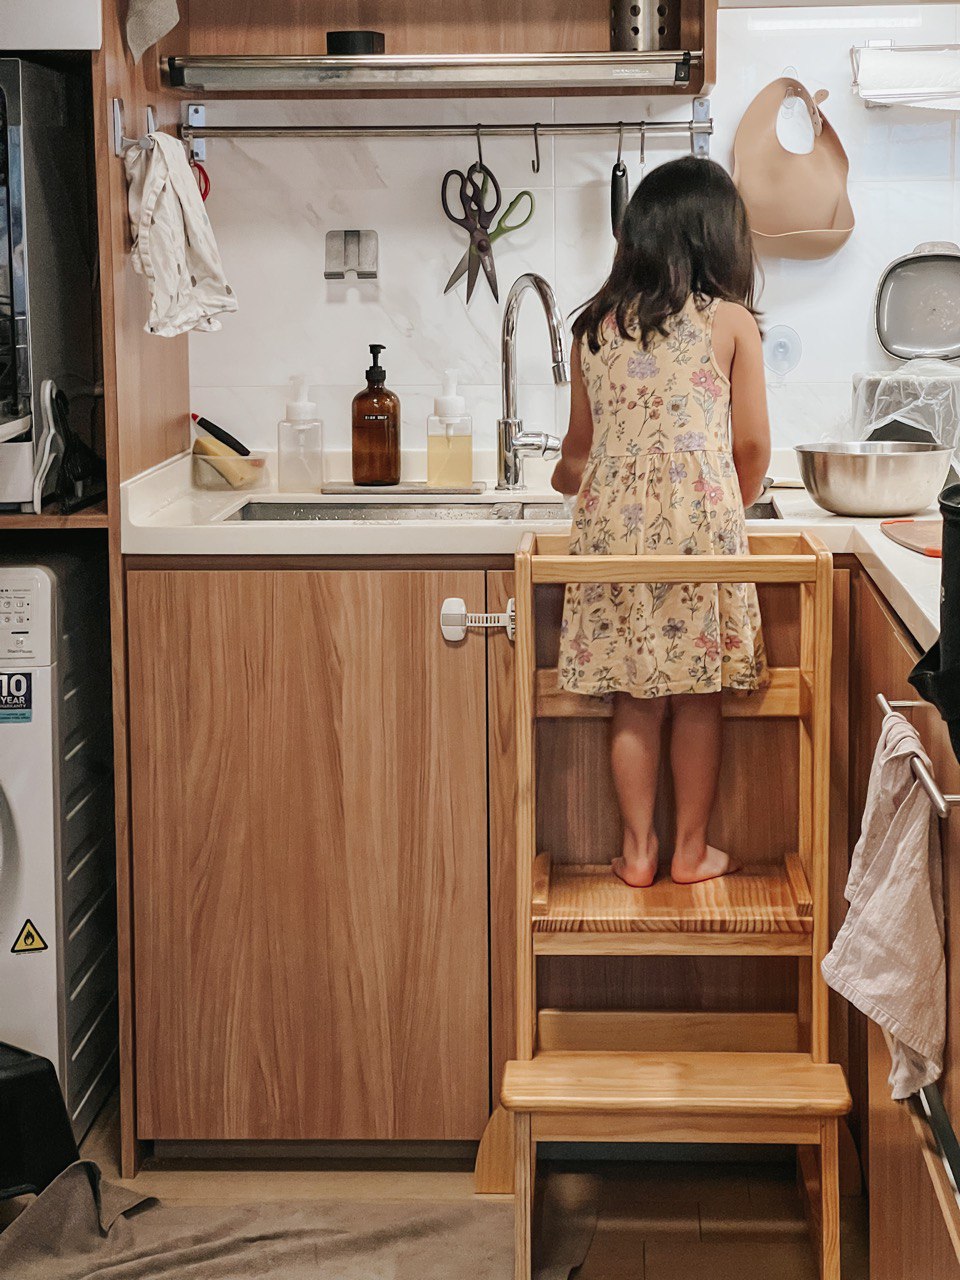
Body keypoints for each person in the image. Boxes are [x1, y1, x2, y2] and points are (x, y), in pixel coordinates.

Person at [553, 156, 771, 888]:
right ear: (719, 239)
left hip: (615, 535)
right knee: (697, 691)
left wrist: (570, 485)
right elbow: (752, 449)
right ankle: (690, 851)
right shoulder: (731, 323)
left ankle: (638, 851)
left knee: (634, 697)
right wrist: (723, 505)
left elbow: (577, 458)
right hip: (700, 529)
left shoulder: (593, 329)